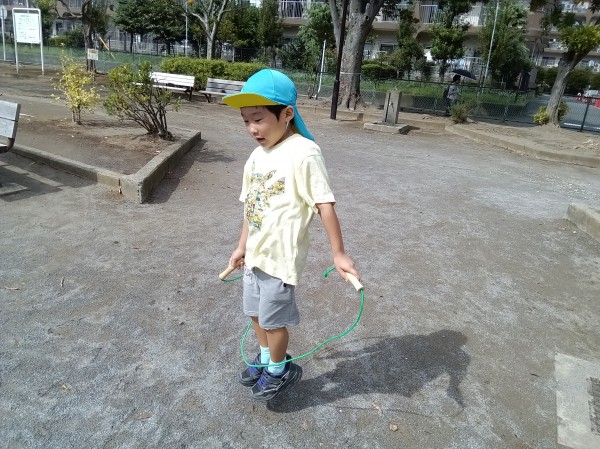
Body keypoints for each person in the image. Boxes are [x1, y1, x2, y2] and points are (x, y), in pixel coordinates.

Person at [222, 69, 360, 402]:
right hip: (255, 256)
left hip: (280, 261)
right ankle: (266, 358)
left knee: (273, 322)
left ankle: (278, 369)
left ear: (286, 114)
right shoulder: (256, 157)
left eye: (258, 119)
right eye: (246, 121)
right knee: (254, 314)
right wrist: (241, 247)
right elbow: (251, 207)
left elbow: (324, 204)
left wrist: (339, 253)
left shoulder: (304, 152)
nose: (252, 128)